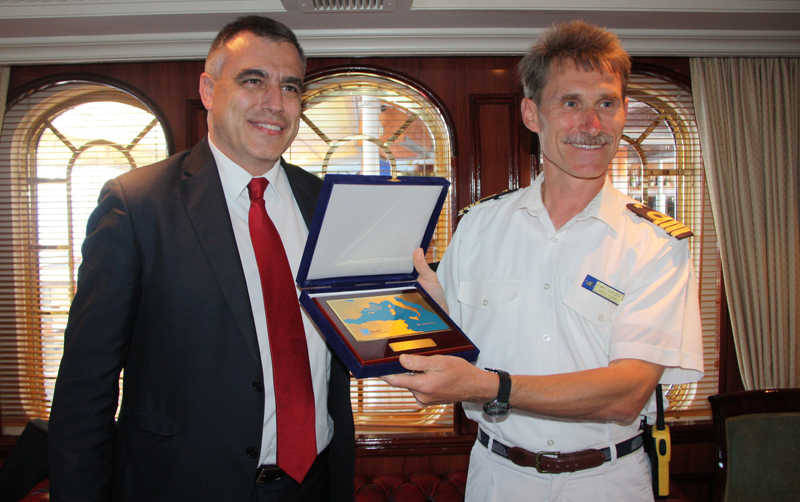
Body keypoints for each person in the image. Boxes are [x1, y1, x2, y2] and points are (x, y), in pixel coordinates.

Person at [385, 20, 703, 501]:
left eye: (606, 104)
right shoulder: (477, 227)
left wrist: (494, 387)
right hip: (496, 478)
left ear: (623, 114)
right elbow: (444, 347)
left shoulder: (656, 244)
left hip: (608, 482)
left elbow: (627, 393)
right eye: (570, 103)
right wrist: (415, 313)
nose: (591, 125)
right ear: (532, 114)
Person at [48, 16, 354, 502]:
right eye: (253, 80)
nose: (275, 104)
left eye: (291, 87)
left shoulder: (326, 204)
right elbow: (86, 386)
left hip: (312, 485)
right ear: (209, 90)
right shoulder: (136, 205)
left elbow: (348, 334)